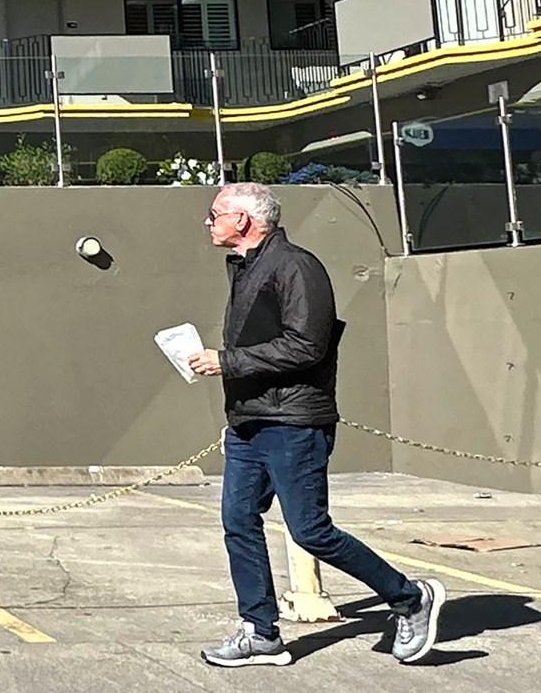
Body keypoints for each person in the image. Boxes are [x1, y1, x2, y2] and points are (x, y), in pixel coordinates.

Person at [188, 182, 445, 668]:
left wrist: (227, 361)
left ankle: (411, 599)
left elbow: (307, 345)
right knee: (238, 522)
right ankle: (260, 633)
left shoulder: (296, 267)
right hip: (249, 421)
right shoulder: (248, 268)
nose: (208, 221)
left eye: (216, 212)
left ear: (243, 220)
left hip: (293, 423)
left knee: (311, 531)